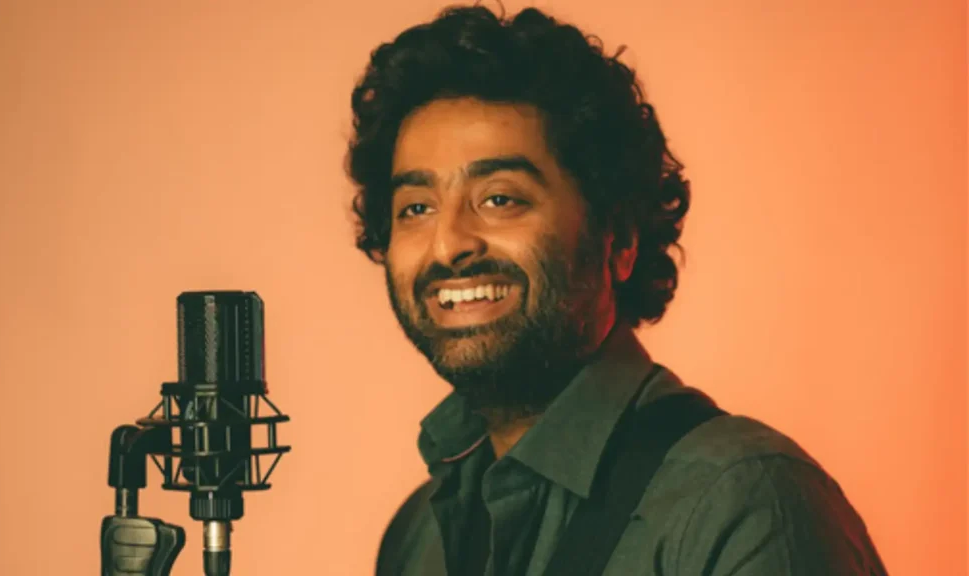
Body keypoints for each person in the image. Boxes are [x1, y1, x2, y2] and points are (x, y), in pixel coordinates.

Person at [344, 4, 889, 575]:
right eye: (416, 208)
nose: (447, 243)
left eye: (500, 199)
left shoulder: (744, 502)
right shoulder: (417, 538)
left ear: (619, 239)